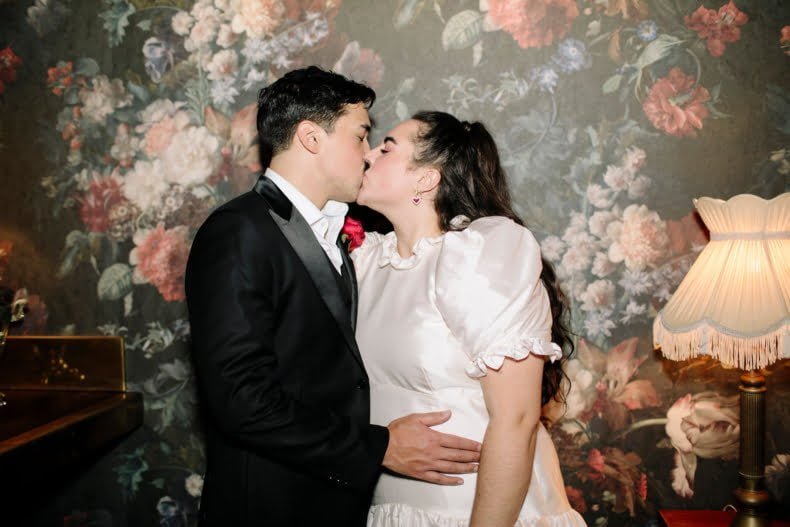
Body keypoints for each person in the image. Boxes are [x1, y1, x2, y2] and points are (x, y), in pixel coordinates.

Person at [185, 69, 481, 527]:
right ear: (311, 138)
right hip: (269, 508)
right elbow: (242, 401)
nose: (368, 154)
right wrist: (379, 447)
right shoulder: (239, 231)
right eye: (360, 136)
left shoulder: (338, 236)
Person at [353, 111, 587, 527]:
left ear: (426, 179)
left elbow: (517, 419)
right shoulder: (367, 262)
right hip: (392, 508)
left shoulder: (476, 257)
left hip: (480, 511)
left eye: (386, 148)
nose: (368, 154)